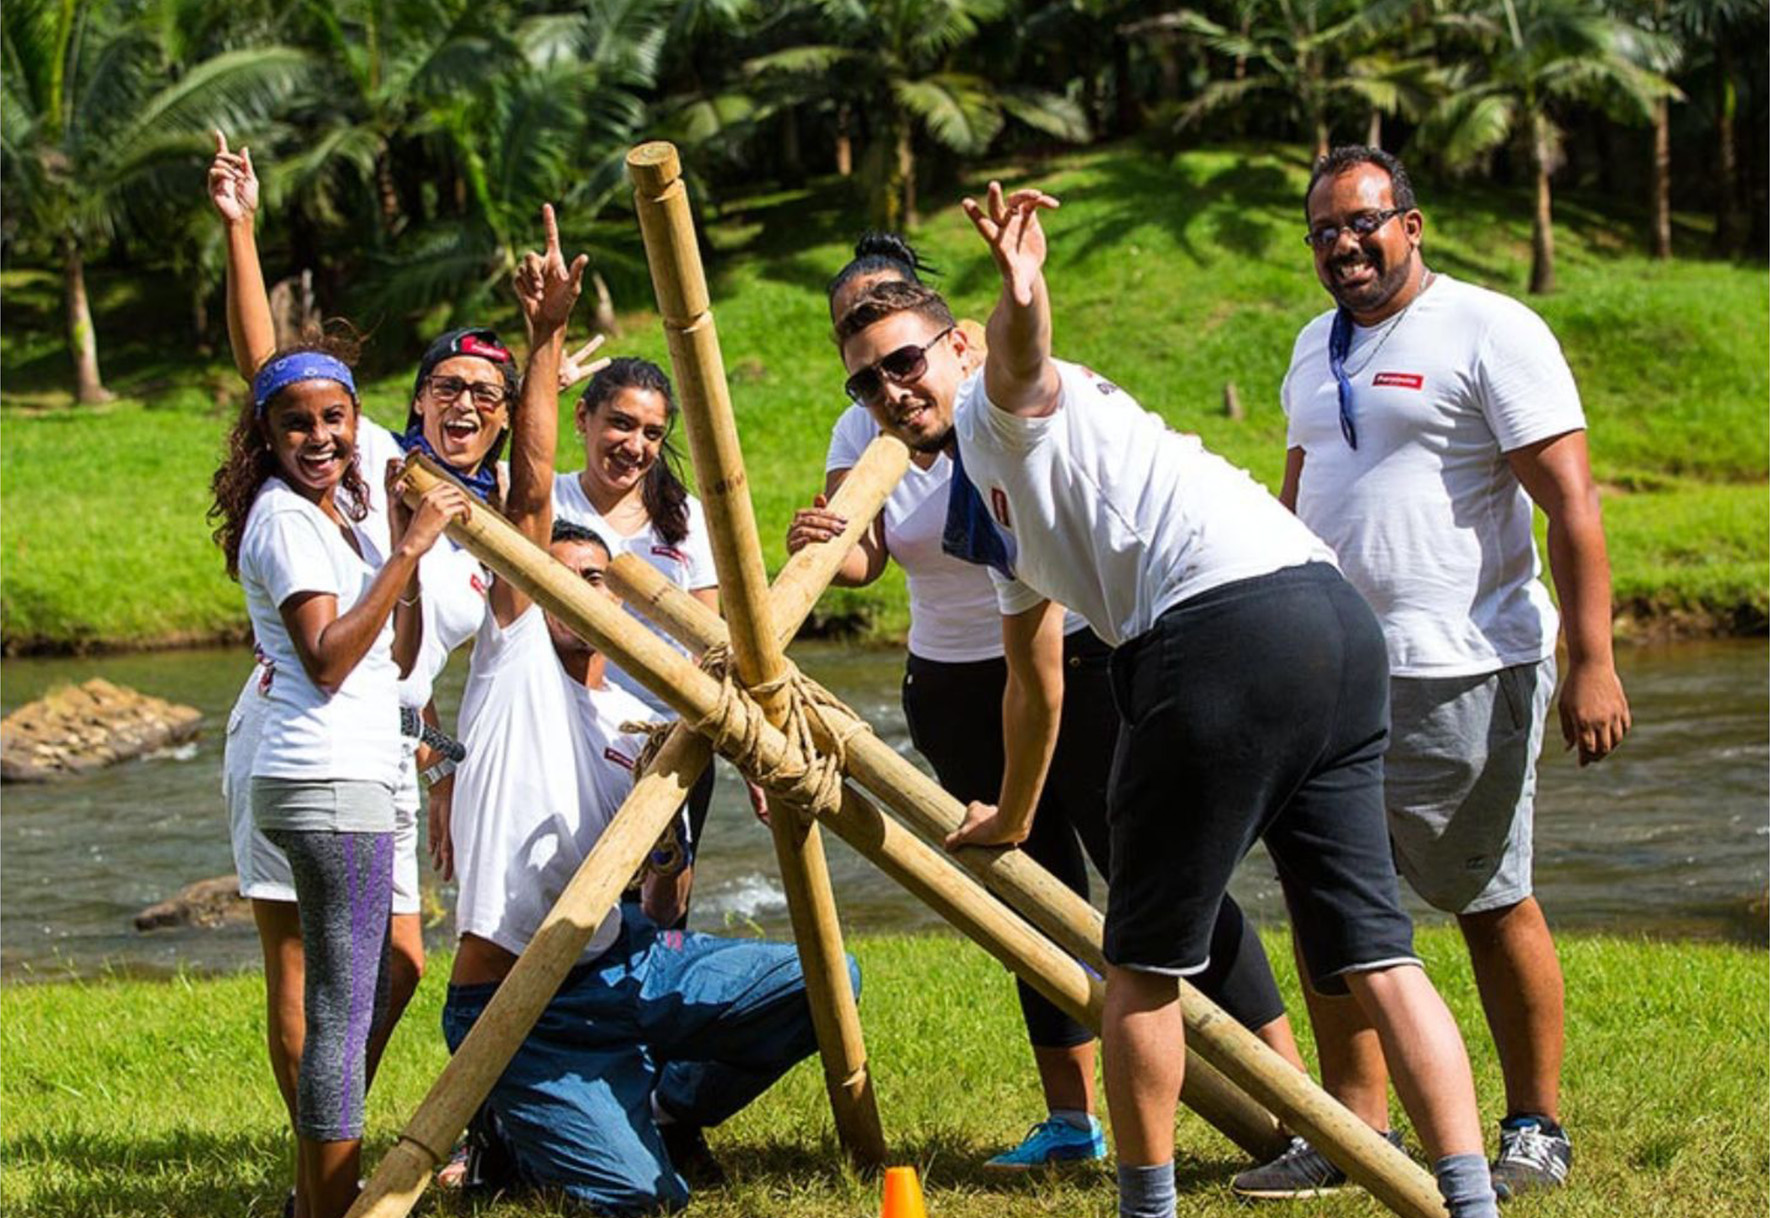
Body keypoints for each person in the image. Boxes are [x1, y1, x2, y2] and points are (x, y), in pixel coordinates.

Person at [831, 183, 1501, 1218]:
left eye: (906, 362)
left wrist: (1023, 287)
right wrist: (1013, 815)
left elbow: (1020, 357)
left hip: (1220, 630)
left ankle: (1147, 1209)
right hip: (1331, 625)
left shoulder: (1000, 412)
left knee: (1137, 963)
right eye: (868, 383)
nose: (889, 392)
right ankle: (1469, 1204)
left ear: (957, 346)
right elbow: (1034, 674)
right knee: (1376, 949)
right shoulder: (989, 505)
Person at [788, 233, 1306, 1170]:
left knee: (1151, 871)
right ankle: (1072, 1121)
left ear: (939, 329)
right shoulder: (862, 427)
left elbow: (1049, 417)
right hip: (952, 676)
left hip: (1076, 654)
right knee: (1028, 892)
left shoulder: (1002, 393)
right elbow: (865, 558)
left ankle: (1295, 1100)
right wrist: (827, 539)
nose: (877, 374)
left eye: (894, 341)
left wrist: (1022, 287)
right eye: (853, 354)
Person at [1232, 145, 1632, 1202]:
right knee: (1330, 907)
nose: (1344, 245)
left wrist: (1590, 660)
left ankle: (1536, 1124)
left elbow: (1574, 508)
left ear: (1412, 224)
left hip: (1464, 668)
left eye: (1363, 222)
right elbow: (1298, 500)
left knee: (1489, 898)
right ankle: (1354, 1130)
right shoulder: (1313, 349)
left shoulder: (1491, 329)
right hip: (1328, 671)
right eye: (1323, 230)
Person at [439, 206, 844, 1213]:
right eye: (563, 581)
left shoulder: (637, 728)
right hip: (519, 1005)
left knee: (824, 986)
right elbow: (529, 496)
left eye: (602, 584)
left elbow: (726, 652)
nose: (587, 598)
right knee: (645, 1205)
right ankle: (527, 1120)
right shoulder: (516, 660)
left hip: (626, 974)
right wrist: (539, 339)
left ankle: (665, 1105)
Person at [206, 135, 519, 1208]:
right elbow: (272, 380)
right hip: (303, 729)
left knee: (393, 965)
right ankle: (325, 1179)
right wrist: (242, 228)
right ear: (418, 401)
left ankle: (322, 1160)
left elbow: (417, 653)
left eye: (485, 393)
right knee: (309, 969)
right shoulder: (362, 468)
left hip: (380, 739)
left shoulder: (470, 501)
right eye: (447, 389)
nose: (464, 407)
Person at [210, 327, 469, 1218]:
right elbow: (324, 659)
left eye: (333, 419)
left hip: (342, 776)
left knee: (351, 998)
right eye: (295, 424)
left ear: (358, 423)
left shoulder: (335, 516)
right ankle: (326, 1207)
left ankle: (318, 1198)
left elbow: (392, 658)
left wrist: (403, 546)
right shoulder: (285, 520)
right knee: (341, 1011)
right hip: (323, 781)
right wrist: (404, 553)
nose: (318, 437)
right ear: (265, 435)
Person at [553, 356, 734, 928]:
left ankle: (658, 1007)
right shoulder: (548, 503)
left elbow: (711, 643)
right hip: (570, 731)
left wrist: (746, 752)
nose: (634, 445)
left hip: (670, 739)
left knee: (664, 898)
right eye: (621, 424)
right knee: (573, 893)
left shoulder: (686, 519)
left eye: (652, 433)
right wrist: (540, 385)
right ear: (582, 417)